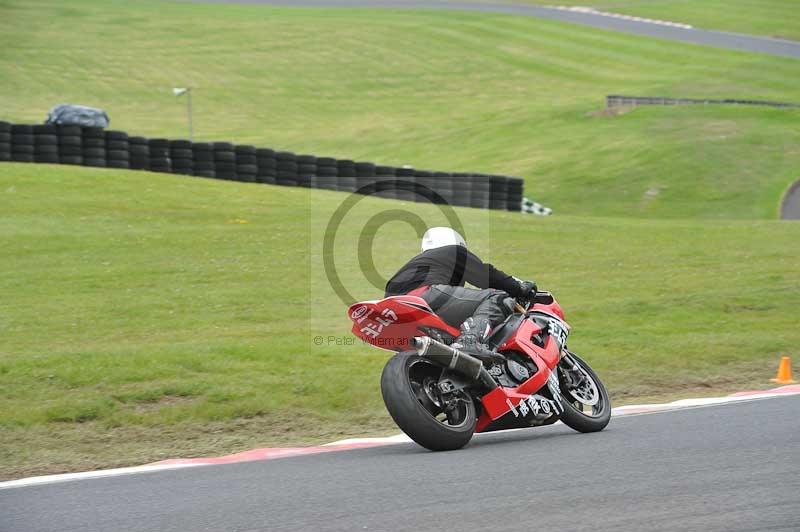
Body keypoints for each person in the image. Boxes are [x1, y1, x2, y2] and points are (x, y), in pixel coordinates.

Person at [384, 227, 536, 361]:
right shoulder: (454, 252)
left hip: (393, 310)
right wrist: (519, 288)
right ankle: (469, 341)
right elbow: (485, 275)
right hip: (424, 296)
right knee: (497, 298)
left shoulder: (419, 263)